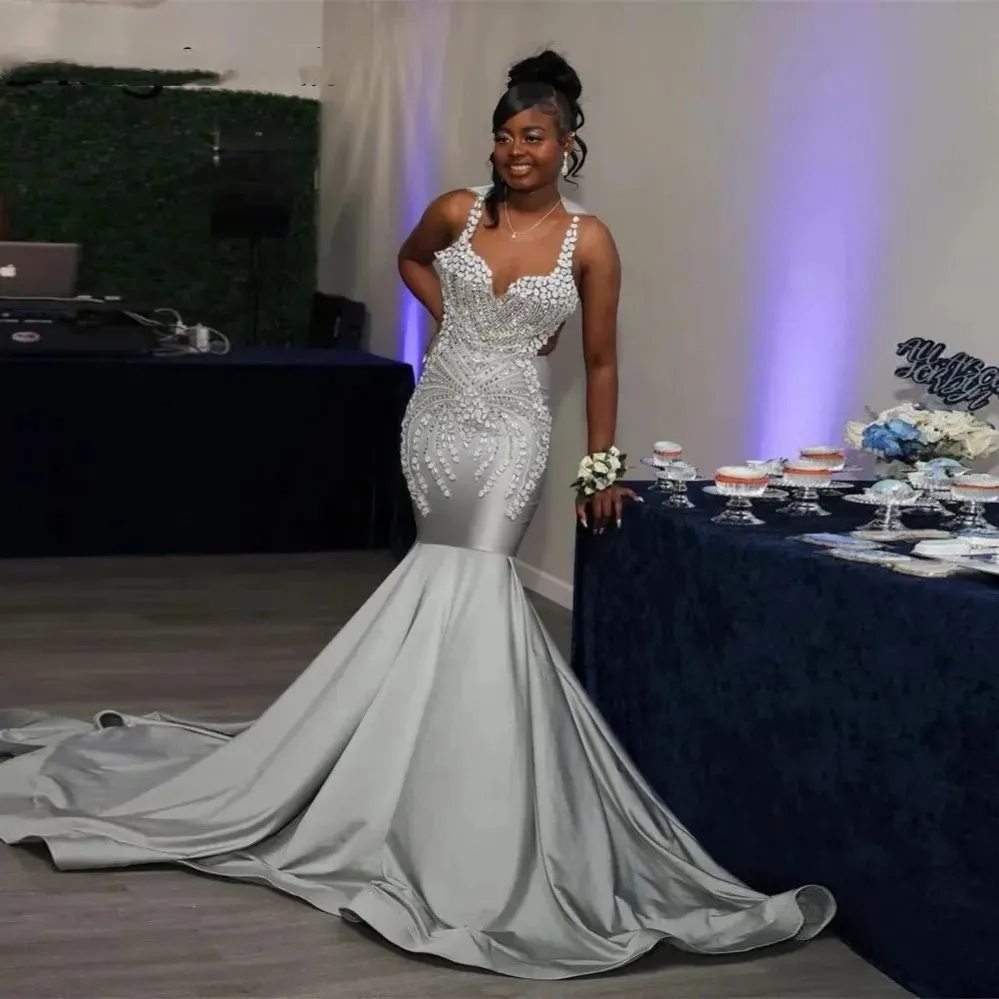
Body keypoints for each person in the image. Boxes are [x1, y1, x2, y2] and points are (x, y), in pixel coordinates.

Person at [0, 51, 835, 979]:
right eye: (503, 136)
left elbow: (600, 362)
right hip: (436, 420)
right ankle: (403, 758)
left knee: (477, 574)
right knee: (439, 572)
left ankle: (464, 776)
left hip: (513, 428)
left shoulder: (588, 241)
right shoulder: (455, 211)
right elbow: (408, 256)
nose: (514, 151)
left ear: (567, 144)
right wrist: (450, 312)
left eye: (533, 136)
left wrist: (599, 465)